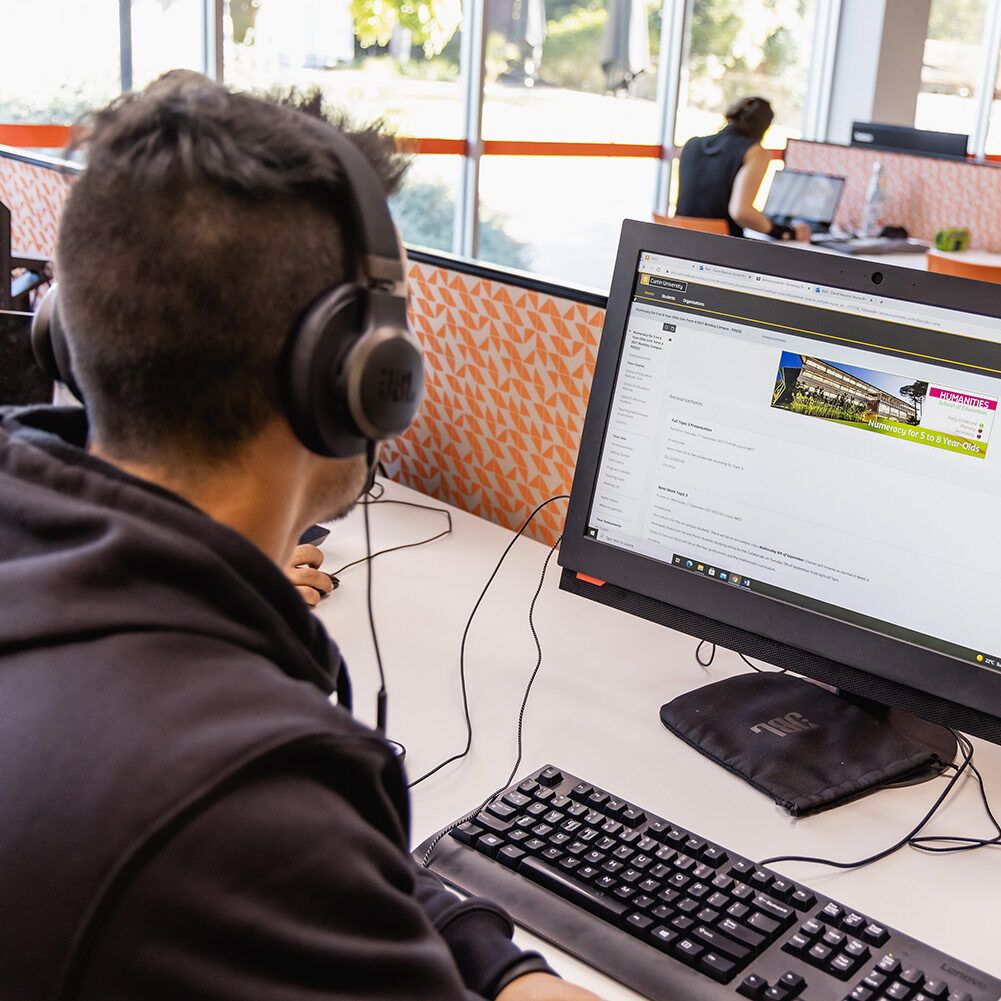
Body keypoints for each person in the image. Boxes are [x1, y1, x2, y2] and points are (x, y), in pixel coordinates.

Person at [0, 72, 603, 1001]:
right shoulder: (235, 802)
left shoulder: (54, 576)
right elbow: (268, 848)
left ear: (68, 337)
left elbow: (307, 871)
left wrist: (497, 962)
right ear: (357, 376)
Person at [676, 96, 810, 241]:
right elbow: (741, 212)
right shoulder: (755, 152)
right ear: (765, 127)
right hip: (719, 247)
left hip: (678, 240)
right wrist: (785, 232)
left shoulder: (691, 144)